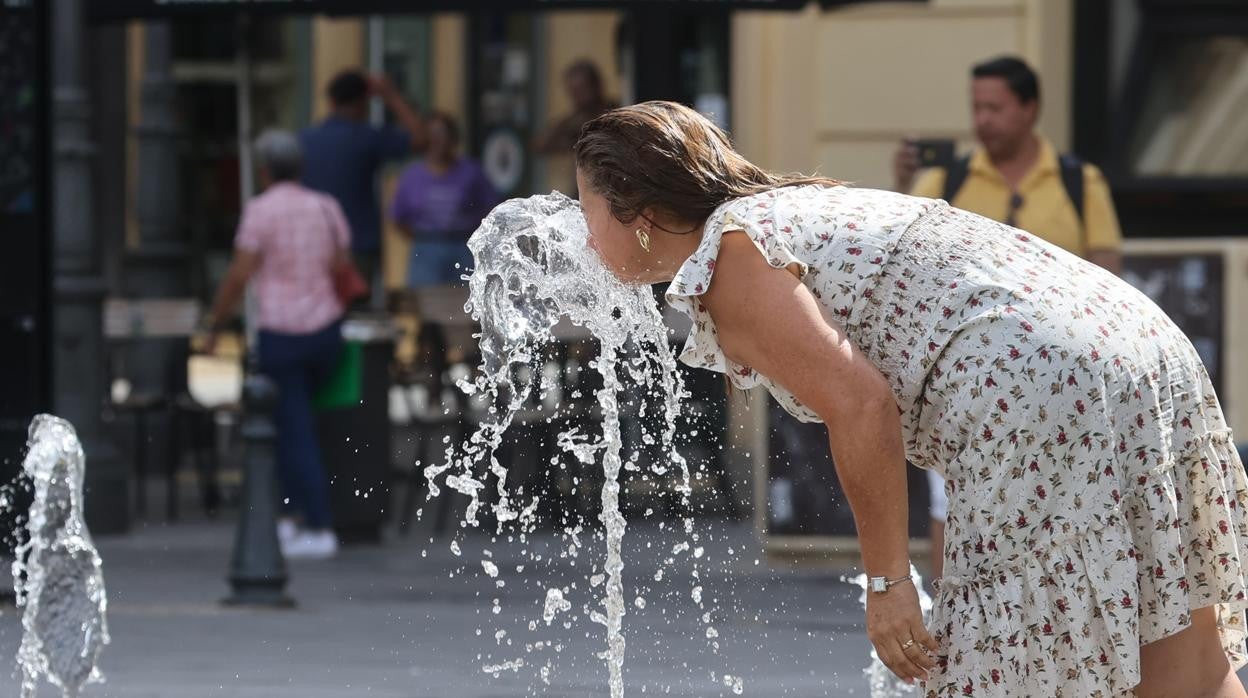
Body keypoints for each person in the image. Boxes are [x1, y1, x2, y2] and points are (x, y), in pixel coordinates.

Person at [573, 101, 1248, 696]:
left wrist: (888, 585)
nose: (583, 234)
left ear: (641, 214)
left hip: (1037, 392)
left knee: (997, 668)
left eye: (587, 210)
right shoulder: (783, 211)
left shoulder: (731, 255)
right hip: (1138, 347)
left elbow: (861, 406)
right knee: (1183, 669)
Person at [894, 55, 1126, 580]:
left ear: (1030, 108)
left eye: (995, 107)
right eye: (976, 108)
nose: (982, 120)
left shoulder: (1078, 182)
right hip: (967, 375)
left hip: (1059, 374)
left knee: (1056, 498)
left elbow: (1110, 282)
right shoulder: (943, 179)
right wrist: (899, 182)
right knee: (949, 497)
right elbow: (904, 269)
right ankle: (949, 614)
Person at [205, 130, 350, 560]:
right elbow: (342, 263)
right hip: (326, 330)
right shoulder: (326, 207)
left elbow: (240, 272)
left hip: (282, 332)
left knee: (294, 428)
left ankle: (319, 524)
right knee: (294, 423)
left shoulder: (260, 212)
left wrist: (216, 322)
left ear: (264, 171)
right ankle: (289, 517)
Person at [300, 69, 426, 301]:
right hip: (357, 246)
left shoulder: (304, 140)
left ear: (331, 101)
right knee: (355, 320)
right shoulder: (367, 137)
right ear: (363, 103)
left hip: (312, 244)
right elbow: (421, 139)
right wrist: (391, 95)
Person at [391, 112, 500, 288]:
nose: (437, 141)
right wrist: (424, 239)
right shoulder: (412, 175)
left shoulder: (471, 172)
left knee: (466, 304)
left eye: (442, 135)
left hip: (464, 247)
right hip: (426, 249)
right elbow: (398, 217)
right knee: (427, 305)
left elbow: (493, 209)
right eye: (431, 135)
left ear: (453, 139)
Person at [533, 60, 617, 195]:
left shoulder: (616, 114)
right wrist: (573, 115)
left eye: (581, 90)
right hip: (584, 192)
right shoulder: (576, 124)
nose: (577, 97)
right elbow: (541, 145)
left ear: (596, 86)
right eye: (573, 92)